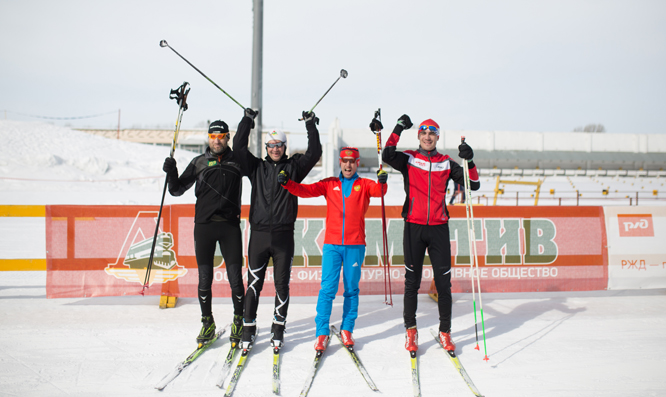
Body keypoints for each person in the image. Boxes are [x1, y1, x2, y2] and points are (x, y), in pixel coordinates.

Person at [379, 115, 480, 353]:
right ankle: (411, 331)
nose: (427, 137)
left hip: (438, 229)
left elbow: (473, 184)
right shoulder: (410, 158)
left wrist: (470, 160)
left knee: (443, 284)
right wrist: (398, 128)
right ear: (419, 136)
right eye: (423, 133)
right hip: (413, 226)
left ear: (437, 136)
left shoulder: (446, 162)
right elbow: (387, 155)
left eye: (432, 133)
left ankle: (445, 332)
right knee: (411, 283)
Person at [278, 147, 388, 352]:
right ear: (340, 162)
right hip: (332, 245)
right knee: (327, 290)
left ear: (357, 163)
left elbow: (379, 191)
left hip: (355, 245)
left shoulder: (364, 184)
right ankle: (321, 332)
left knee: (351, 290)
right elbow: (305, 190)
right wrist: (287, 183)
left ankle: (347, 329)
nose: (348, 165)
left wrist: (383, 180)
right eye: (345, 161)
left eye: (352, 161)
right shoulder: (329, 184)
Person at [232, 110, 322, 351]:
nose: (275, 149)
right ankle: (248, 328)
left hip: (283, 236)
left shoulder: (293, 168)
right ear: (266, 147)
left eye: (279, 145)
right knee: (254, 284)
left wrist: (311, 125)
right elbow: (238, 147)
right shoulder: (256, 168)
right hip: (259, 235)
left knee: (282, 285)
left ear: (284, 146)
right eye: (271, 145)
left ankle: (278, 327)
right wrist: (247, 121)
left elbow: (314, 153)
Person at [162, 114, 251, 347]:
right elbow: (177, 190)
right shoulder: (199, 162)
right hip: (204, 227)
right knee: (204, 279)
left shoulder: (238, 162)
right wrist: (171, 171)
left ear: (227, 138)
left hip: (230, 226)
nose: (217, 141)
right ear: (209, 138)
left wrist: (247, 121)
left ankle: (238, 321)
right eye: (213, 136)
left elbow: (255, 166)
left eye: (221, 136)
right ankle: (207, 322)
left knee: (235, 279)